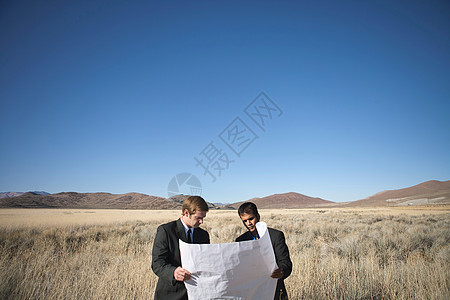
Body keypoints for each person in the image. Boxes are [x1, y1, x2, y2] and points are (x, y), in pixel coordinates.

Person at [152, 195, 210, 300]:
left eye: (203, 218)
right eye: (198, 218)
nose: (201, 222)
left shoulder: (203, 235)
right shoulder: (166, 231)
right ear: (186, 213)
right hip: (171, 294)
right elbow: (157, 264)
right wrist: (173, 272)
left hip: (196, 293)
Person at [235, 202, 292, 300]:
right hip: (251, 292)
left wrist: (282, 271)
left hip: (275, 290)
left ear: (258, 216)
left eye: (251, 219)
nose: (248, 223)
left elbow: (285, 262)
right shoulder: (240, 241)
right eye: (245, 221)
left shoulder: (275, 236)